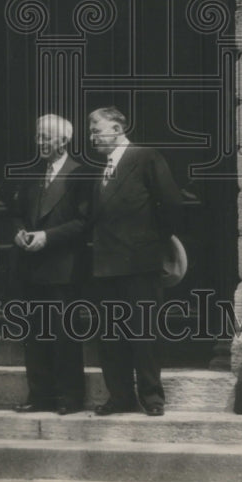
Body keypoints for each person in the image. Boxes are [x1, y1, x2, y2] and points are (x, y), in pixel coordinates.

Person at [88, 106, 183, 417]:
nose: (92, 138)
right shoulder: (100, 168)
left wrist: (152, 243)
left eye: (96, 131)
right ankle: (120, 396)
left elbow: (170, 203)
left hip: (140, 263)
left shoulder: (145, 157)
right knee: (110, 336)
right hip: (105, 265)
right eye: (90, 132)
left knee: (144, 333)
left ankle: (152, 398)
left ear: (117, 129)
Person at [11, 114, 88, 414]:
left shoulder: (80, 174)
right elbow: (18, 213)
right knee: (35, 335)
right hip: (30, 268)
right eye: (38, 136)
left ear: (64, 140)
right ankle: (40, 396)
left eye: (46, 137)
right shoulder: (32, 174)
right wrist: (18, 234)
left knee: (64, 335)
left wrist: (48, 236)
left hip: (63, 269)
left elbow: (84, 222)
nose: (40, 142)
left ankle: (70, 398)